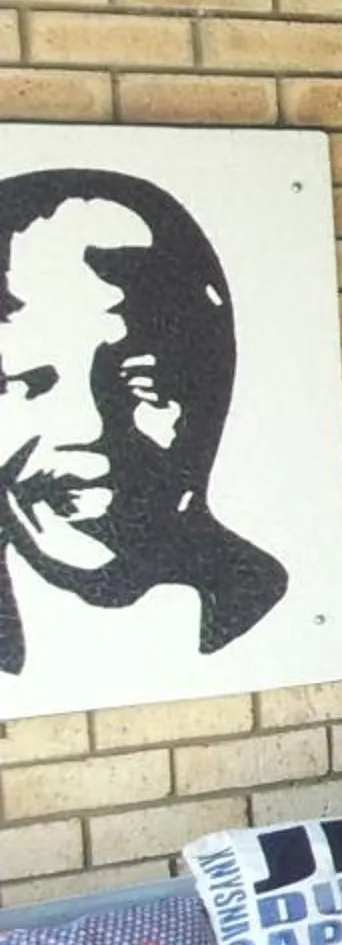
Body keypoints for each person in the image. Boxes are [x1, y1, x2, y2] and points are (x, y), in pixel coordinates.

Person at [0, 168, 286, 680]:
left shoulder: (261, 595)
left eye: (141, 378)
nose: (89, 425)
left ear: (215, 381)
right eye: (31, 382)